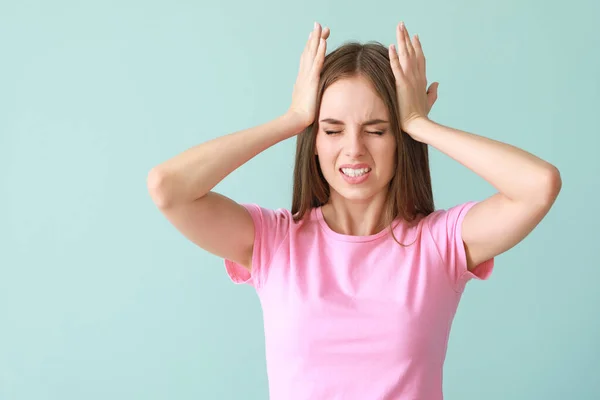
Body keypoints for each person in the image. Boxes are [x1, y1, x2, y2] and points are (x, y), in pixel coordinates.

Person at [147, 21, 562, 400]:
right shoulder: (274, 241)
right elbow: (169, 188)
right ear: (314, 139)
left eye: (377, 130)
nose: (353, 149)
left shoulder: (440, 243)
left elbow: (538, 186)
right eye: (331, 130)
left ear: (399, 138)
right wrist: (291, 119)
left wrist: (420, 123)